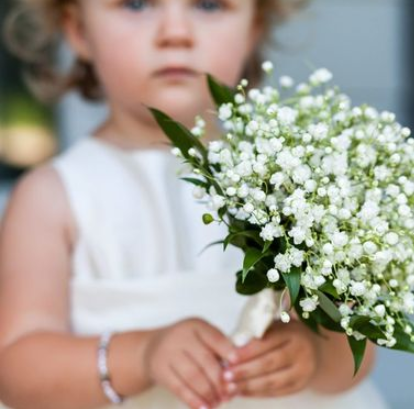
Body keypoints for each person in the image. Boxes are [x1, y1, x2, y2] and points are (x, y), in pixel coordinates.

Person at [0, 1, 389, 408]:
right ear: (78, 30)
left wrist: (312, 355)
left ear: (253, 28)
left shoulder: (296, 185)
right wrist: (142, 354)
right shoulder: (53, 195)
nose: (176, 33)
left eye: (208, 4)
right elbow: (16, 370)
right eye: (136, 4)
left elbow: (356, 355)